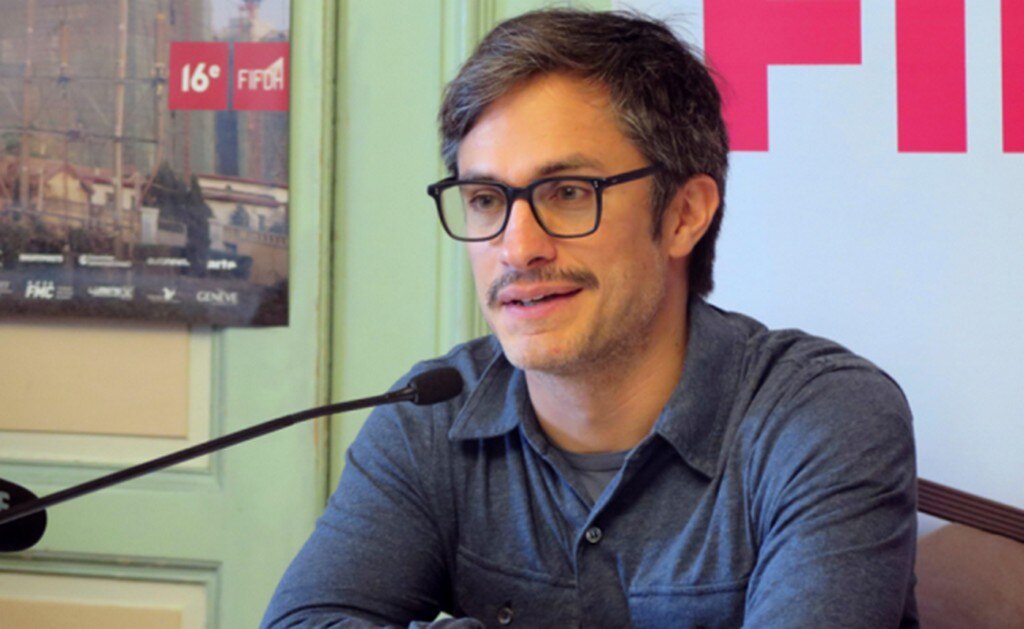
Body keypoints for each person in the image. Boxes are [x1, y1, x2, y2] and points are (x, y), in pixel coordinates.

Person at [263, 9, 917, 628]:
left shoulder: (824, 417)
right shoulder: (430, 414)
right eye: (486, 199)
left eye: (569, 193)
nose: (517, 248)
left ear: (685, 213)